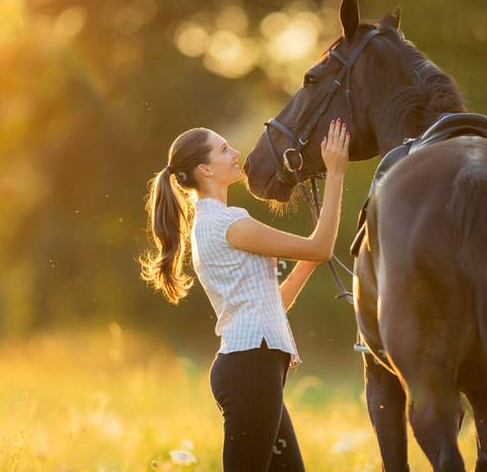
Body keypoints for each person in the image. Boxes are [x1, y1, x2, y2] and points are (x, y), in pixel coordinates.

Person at [139, 119, 351, 470]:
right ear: (205, 169)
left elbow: (274, 303)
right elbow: (321, 246)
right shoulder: (230, 224)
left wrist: (308, 262)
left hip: (252, 365)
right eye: (224, 149)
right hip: (251, 366)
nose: (235, 153)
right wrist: (337, 173)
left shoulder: (211, 224)